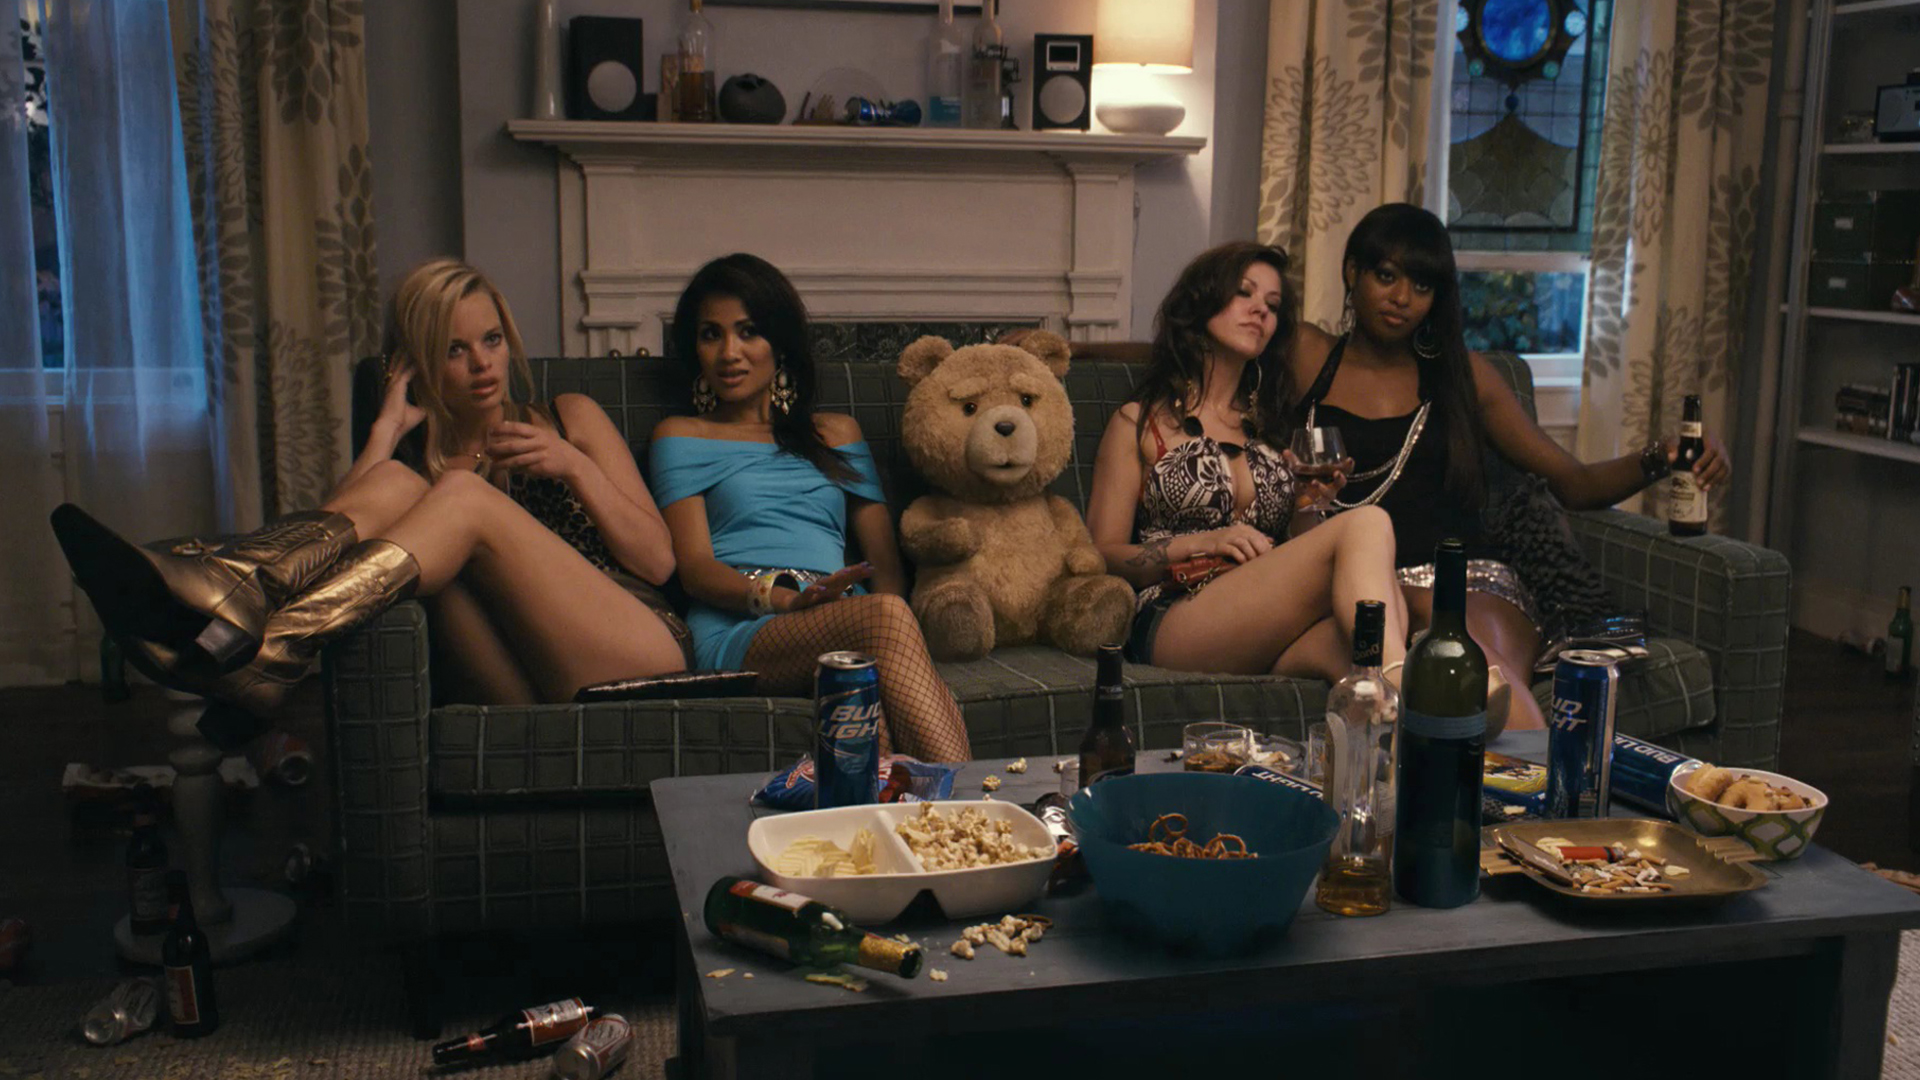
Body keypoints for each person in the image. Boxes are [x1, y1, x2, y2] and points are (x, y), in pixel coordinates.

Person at [51, 258, 690, 739]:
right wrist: (383, 432)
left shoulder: (569, 416)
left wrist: (575, 467)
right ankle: (257, 634)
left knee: (459, 494)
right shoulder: (416, 472)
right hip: (520, 686)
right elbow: (339, 530)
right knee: (403, 487)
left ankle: (241, 606)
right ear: (419, 364)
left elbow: (659, 562)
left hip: (636, 651)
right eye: (454, 350)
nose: (483, 365)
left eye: (492, 340)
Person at [1290, 203, 1733, 733]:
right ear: (1352, 272)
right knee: (1395, 622)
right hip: (1361, 581)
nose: (1402, 298)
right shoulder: (1307, 355)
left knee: (1471, 656)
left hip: (1469, 579)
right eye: (1386, 277)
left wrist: (1663, 455)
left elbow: (1575, 483)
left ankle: (1536, 774)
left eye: (1422, 286)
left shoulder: (1463, 375)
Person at [649, 253, 973, 763]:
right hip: (744, 625)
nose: (729, 353)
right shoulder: (681, 436)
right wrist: (784, 600)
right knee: (884, 618)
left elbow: (886, 571)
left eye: (748, 331)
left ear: (779, 342)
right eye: (711, 334)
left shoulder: (836, 433)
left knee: (872, 706)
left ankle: (920, 812)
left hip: (847, 619)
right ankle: (979, 804)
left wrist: (890, 645)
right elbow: (695, 569)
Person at [1085, 241, 1410, 685]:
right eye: (1244, 292)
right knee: (1368, 522)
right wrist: (1204, 542)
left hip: (1261, 620)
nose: (1260, 310)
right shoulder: (1140, 423)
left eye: (1272, 305)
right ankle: (1413, 684)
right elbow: (1102, 555)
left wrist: (1305, 506)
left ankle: (1408, 701)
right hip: (1176, 613)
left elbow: (1295, 549)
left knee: (1360, 653)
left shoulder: (1272, 429)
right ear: (1202, 301)